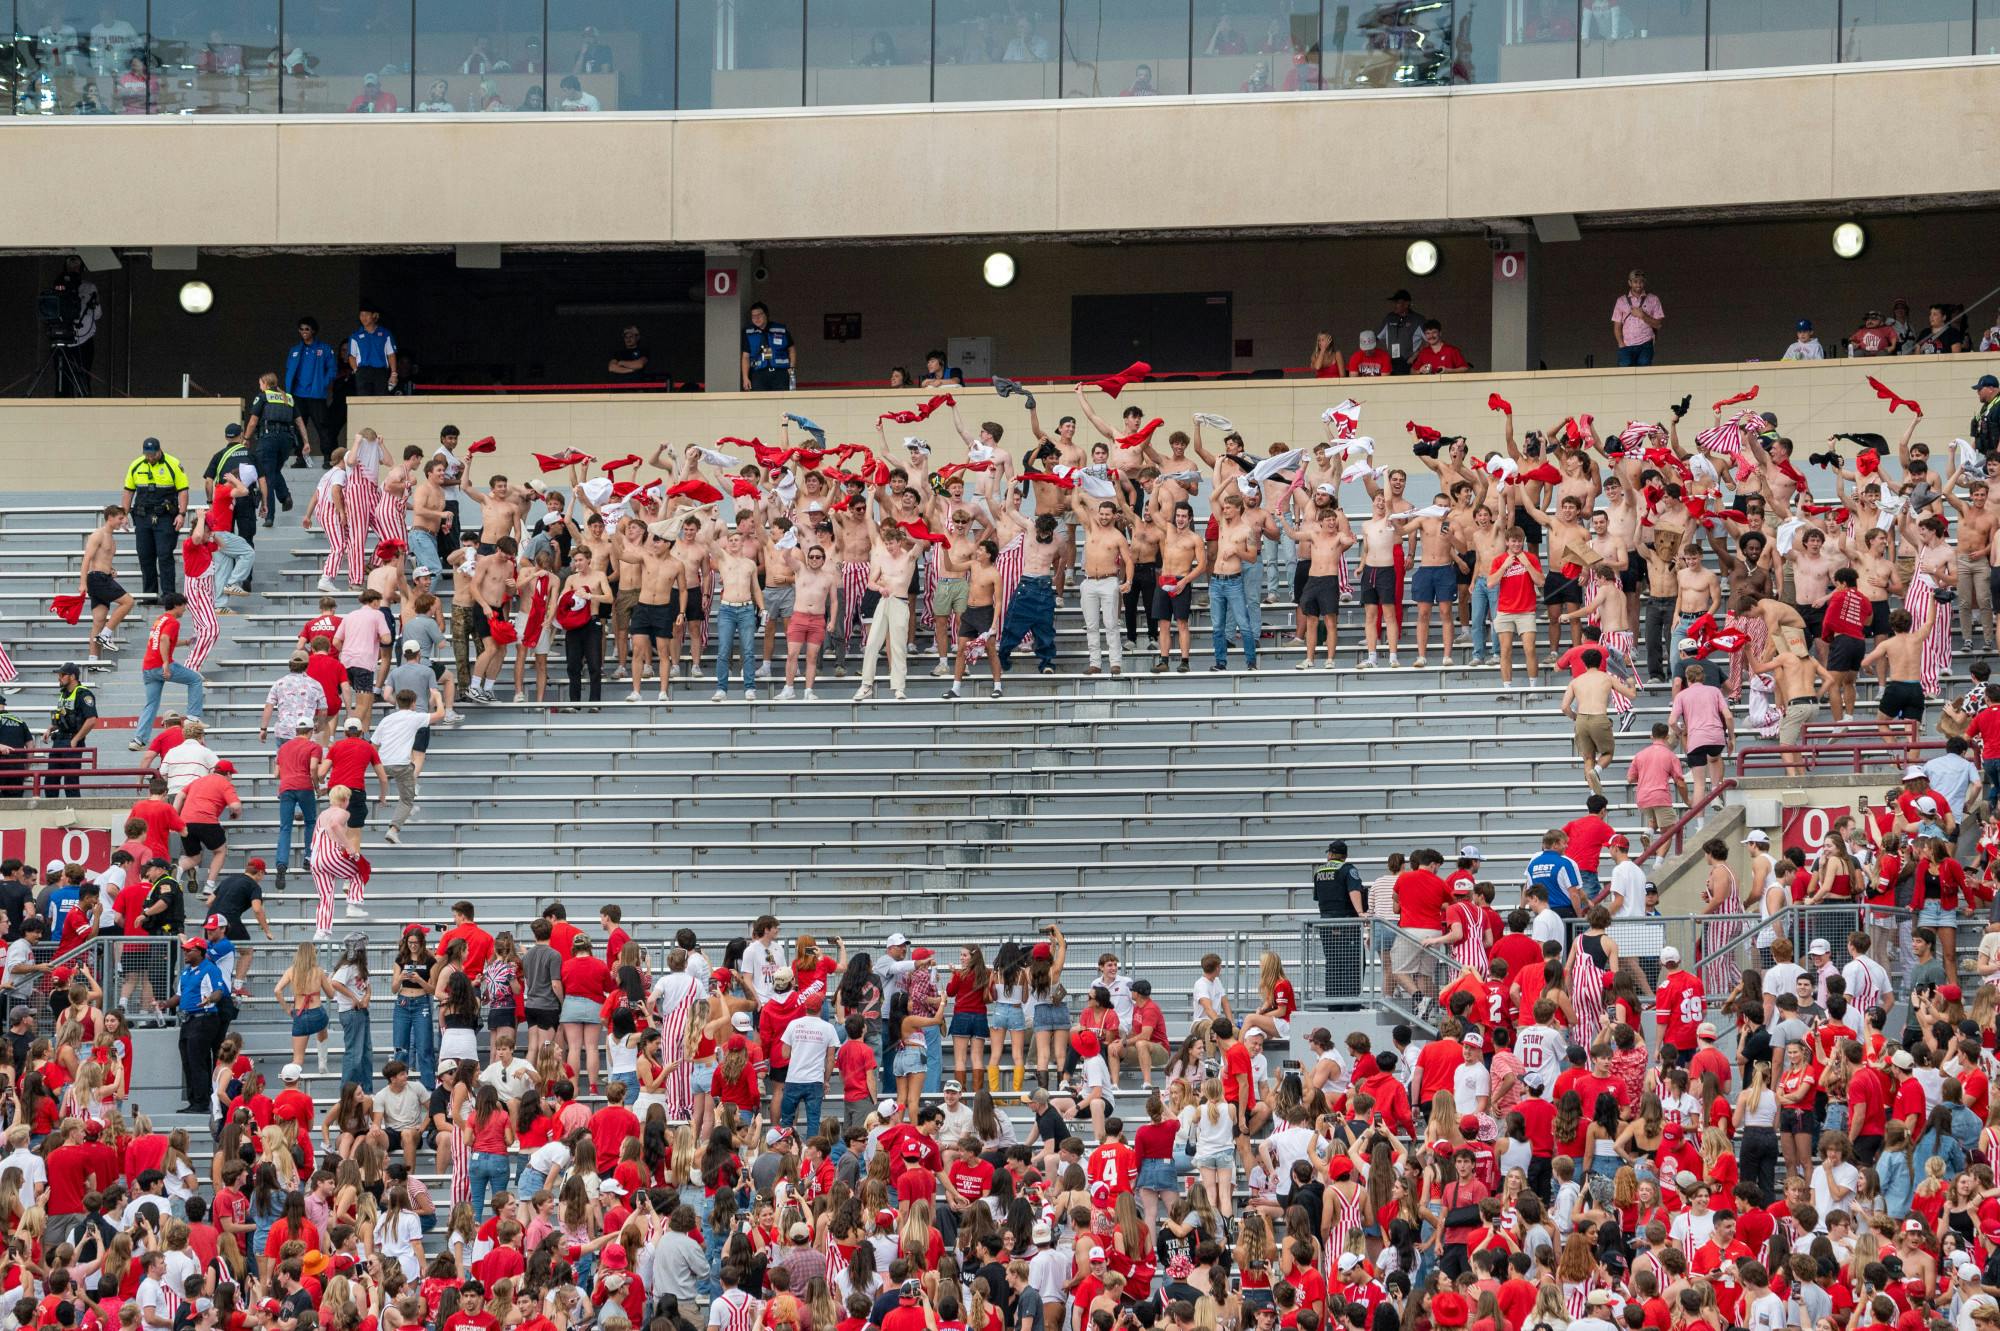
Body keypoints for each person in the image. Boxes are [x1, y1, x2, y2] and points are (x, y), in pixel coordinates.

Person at [132, 594, 204, 751]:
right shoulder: (173, 622)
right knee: (195, 679)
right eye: (184, 606)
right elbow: (164, 640)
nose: (185, 609)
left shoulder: (160, 619)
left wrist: (185, 642)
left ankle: (139, 739)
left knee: (151, 704)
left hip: (148, 667)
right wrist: (165, 663)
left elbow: (162, 641)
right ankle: (192, 718)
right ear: (177, 605)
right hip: (160, 666)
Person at [121, 437, 188, 601]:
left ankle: (168, 595)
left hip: (165, 517)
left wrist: (182, 513)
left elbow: (183, 491)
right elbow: (129, 491)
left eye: (153, 454)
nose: (150, 457)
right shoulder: (136, 465)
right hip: (143, 517)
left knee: (165, 555)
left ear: (159, 450)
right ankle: (149, 595)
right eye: (147, 454)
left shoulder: (173, 464)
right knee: (145, 556)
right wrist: (123, 514)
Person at [1612, 269, 1664, 366]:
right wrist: (1621, 344)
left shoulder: (1653, 299)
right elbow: (1617, 326)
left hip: (1646, 344)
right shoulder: (1621, 301)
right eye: (1635, 282)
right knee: (1624, 369)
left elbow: (1658, 324)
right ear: (1629, 283)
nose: (1638, 285)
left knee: (1643, 369)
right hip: (1626, 344)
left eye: (1641, 282)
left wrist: (1643, 316)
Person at [742, 302, 796, 392]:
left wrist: (792, 368)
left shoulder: (780, 330)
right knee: (761, 403)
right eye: (753, 316)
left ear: (766, 314)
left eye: (759, 315)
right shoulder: (749, 333)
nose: (756, 318)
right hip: (758, 374)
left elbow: (792, 349)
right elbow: (745, 357)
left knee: (782, 402)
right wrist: (745, 377)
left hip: (780, 373)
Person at [345, 302, 397, 394]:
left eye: (366, 315)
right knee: (364, 402)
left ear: (374, 315)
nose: (363, 318)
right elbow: (351, 356)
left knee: (381, 401)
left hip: (380, 372)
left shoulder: (385, 334)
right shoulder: (355, 336)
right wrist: (356, 371)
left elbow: (391, 354)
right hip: (363, 371)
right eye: (361, 315)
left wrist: (393, 374)